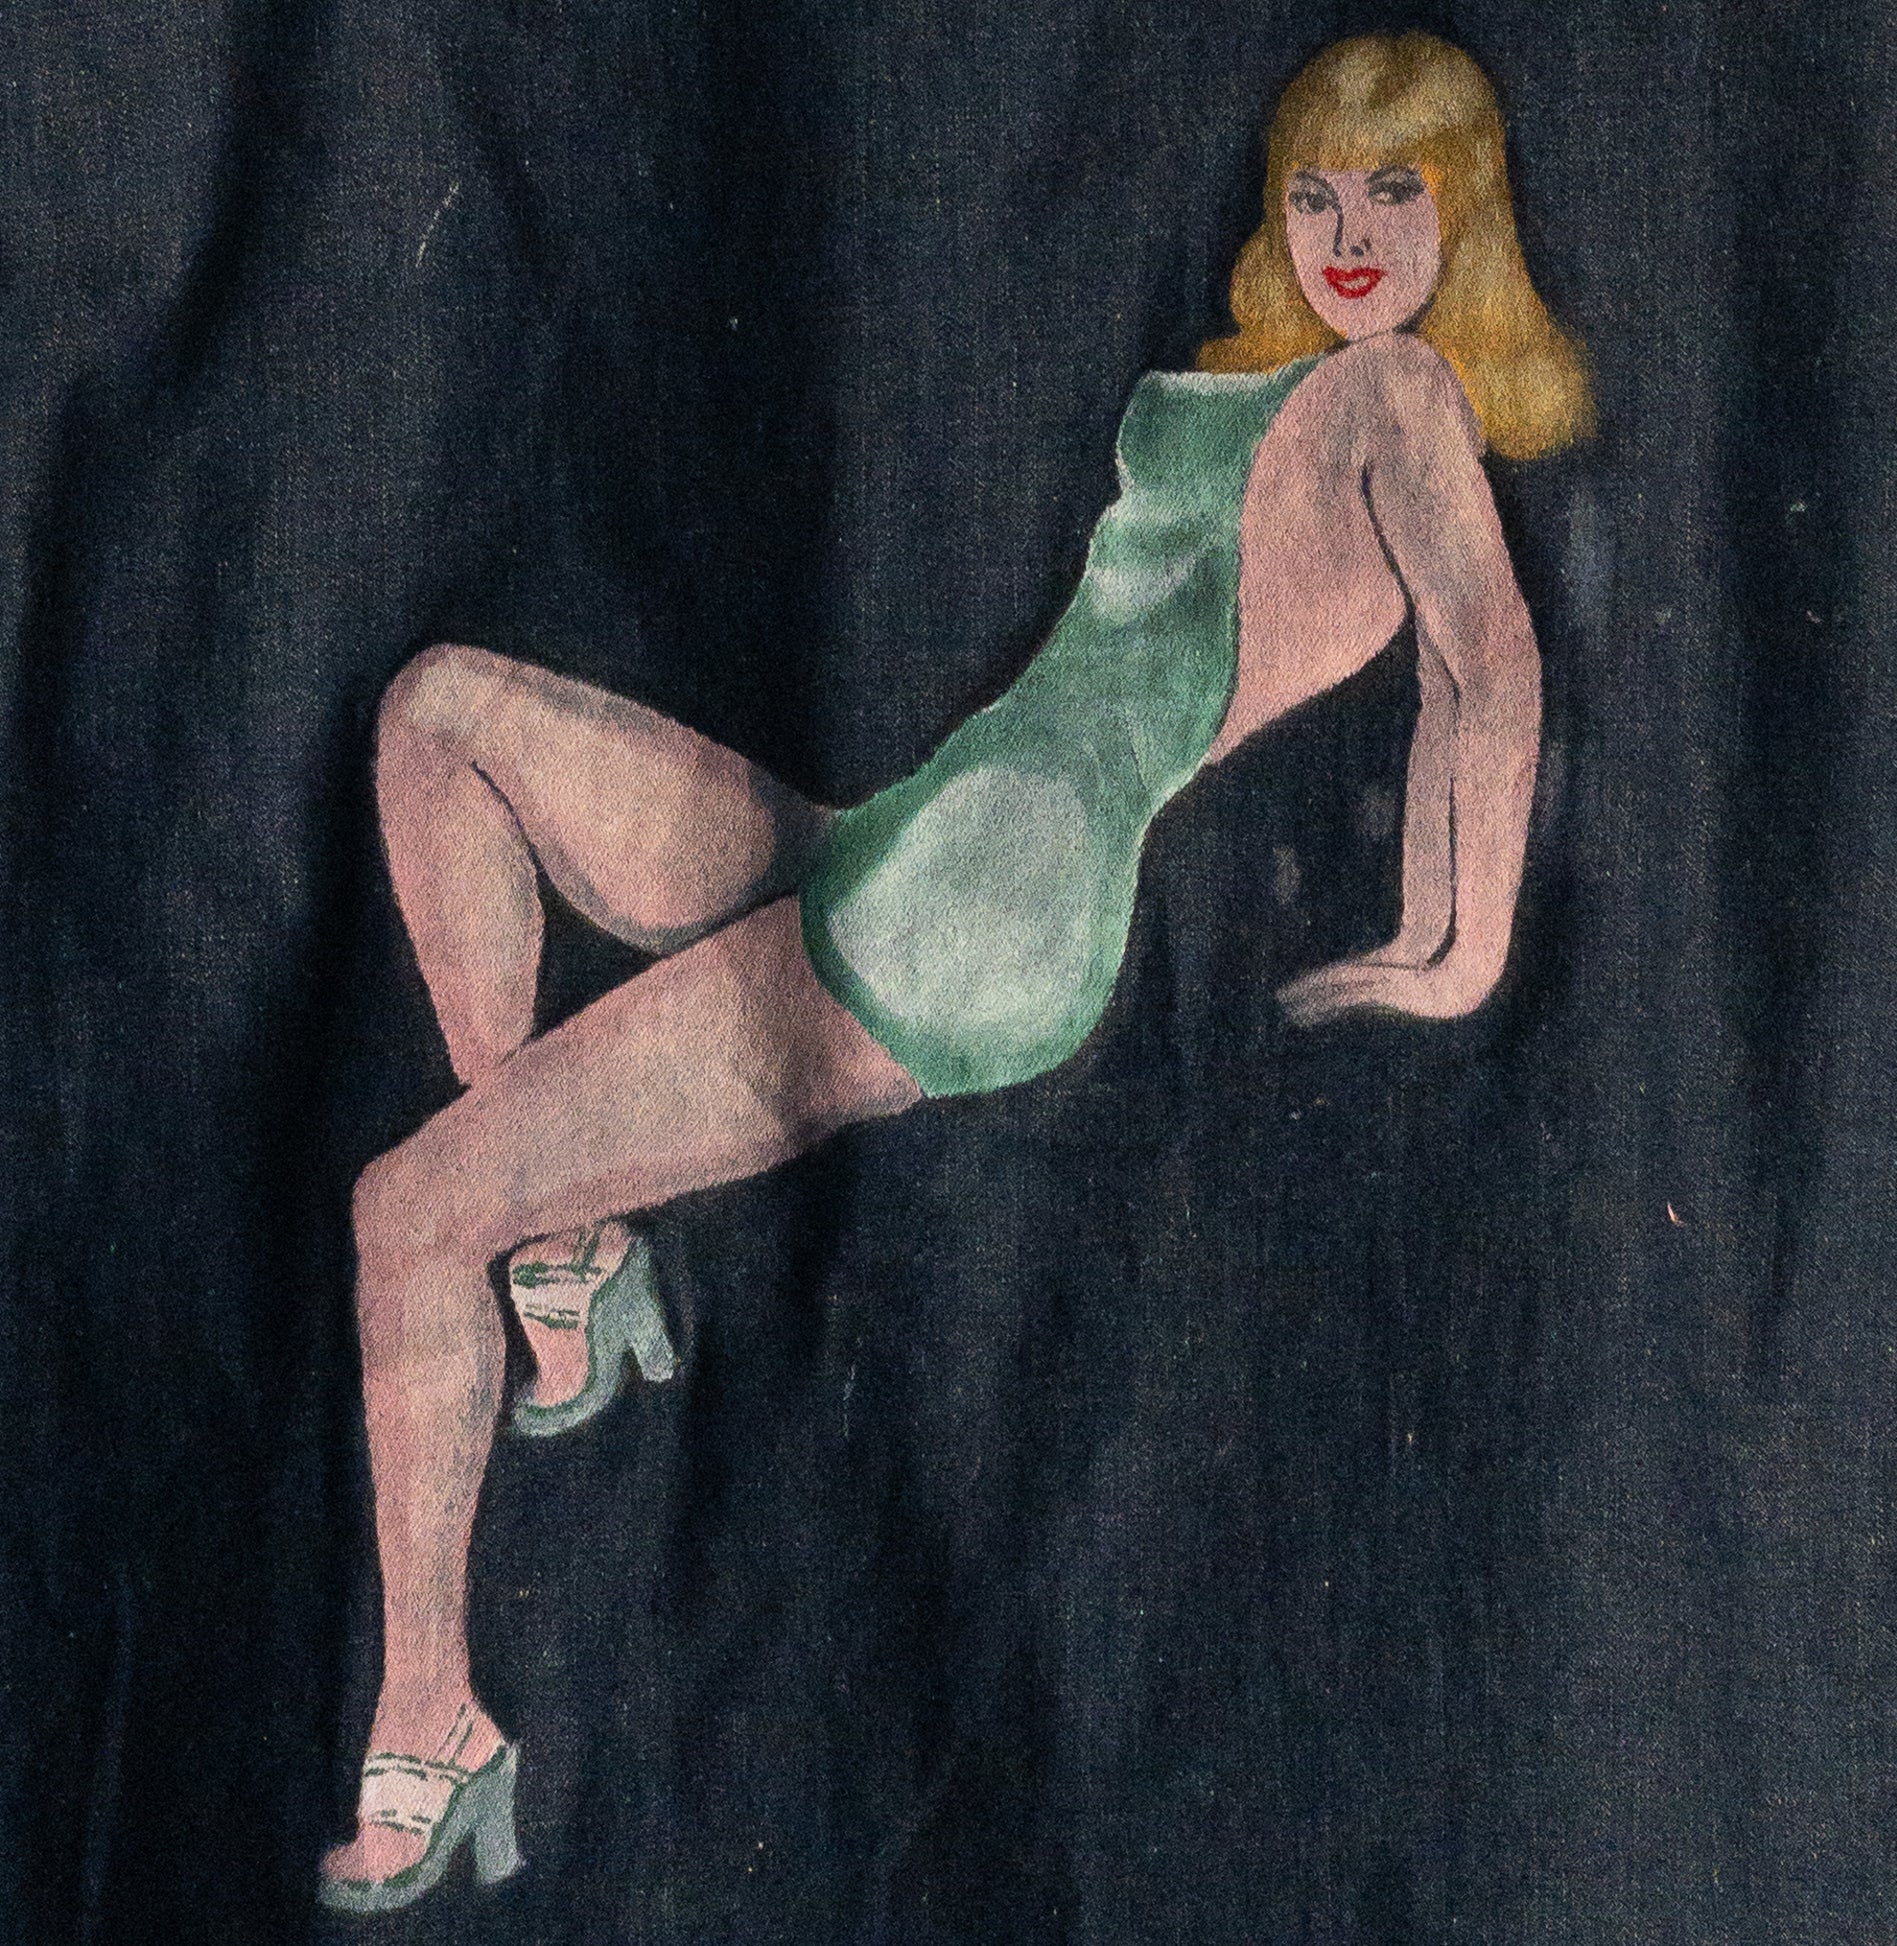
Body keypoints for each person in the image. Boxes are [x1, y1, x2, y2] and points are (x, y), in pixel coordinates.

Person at [318, 29, 1593, 1911]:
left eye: (1393, 196)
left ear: (1463, 215)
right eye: (1315, 192)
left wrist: (1458, 948)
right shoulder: (1275, 388)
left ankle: (435, 1715)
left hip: (990, 901)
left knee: (409, 1209)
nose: (1345, 236)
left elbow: (1484, 661)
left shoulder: (1397, 390)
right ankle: (569, 1245)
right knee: (437, 714)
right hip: (911, 831)